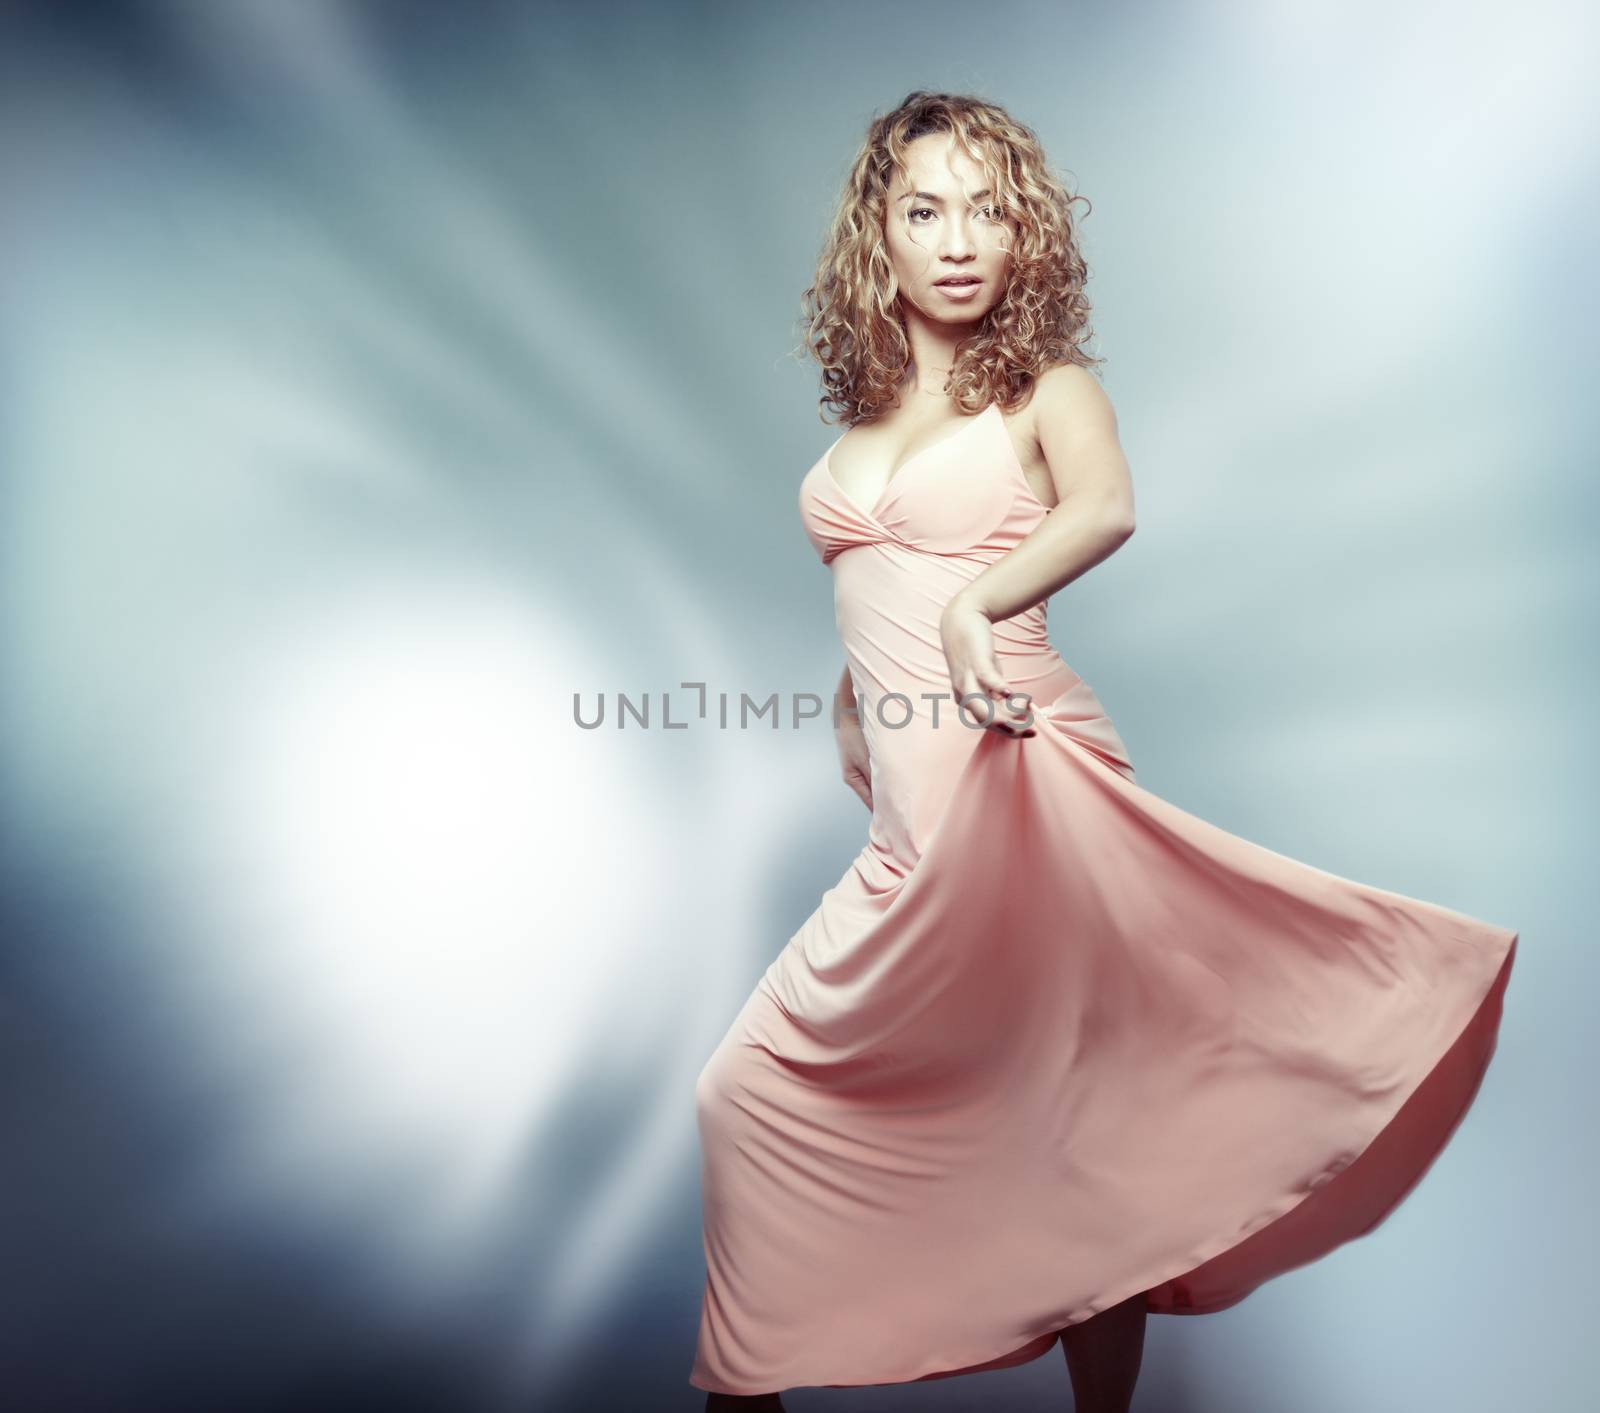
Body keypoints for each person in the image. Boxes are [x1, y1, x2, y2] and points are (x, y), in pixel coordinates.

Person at [689, 91, 1517, 1413]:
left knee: (1079, 1135)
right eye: (926, 210)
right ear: (878, 237)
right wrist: (855, 696)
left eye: (989, 210)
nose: (960, 239)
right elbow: (888, 573)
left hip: (1027, 779)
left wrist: (976, 605)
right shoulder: (858, 430)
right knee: (748, 1095)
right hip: (912, 825)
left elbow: (1106, 509)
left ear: (1025, 237)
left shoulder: (1048, 392)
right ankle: (751, 1388)